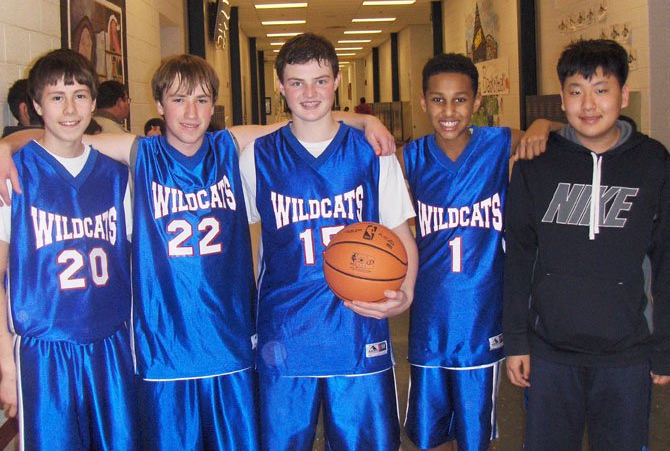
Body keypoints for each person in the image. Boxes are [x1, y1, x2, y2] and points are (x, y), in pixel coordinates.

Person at [0, 53, 394, 451]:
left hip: (231, 343)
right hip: (164, 346)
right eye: (177, 100)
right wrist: (8, 143)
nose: (191, 112)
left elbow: (301, 120)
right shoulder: (140, 154)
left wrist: (363, 119)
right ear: (158, 106)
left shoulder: (230, 147)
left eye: (202, 100)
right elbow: (67, 136)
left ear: (214, 107)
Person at [239, 33, 418, 451]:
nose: (309, 92)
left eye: (320, 80)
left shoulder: (373, 152)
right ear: (280, 86)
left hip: (358, 327)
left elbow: (400, 233)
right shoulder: (257, 156)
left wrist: (406, 292)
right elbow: (245, 245)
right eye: (297, 82)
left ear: (337, 82)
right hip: (284, 334)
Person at [503, 39, 670, 451]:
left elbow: (666, 259)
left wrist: (665, 346)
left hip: (626, 354)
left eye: (601, 89)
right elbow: (518, 257)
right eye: (576, 91)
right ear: (562, 99)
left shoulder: (652, 162)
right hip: (550, 351)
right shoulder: (535, 164)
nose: (589, 104)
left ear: (623, 95)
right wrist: (516, 341)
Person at [400, 53, 560, 451]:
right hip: (430, 312)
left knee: (474, 432)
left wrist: (543, 123)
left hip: (482, 309)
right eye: (438, 100)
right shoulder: (410, 157)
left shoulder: (499, 142)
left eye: (460, 99)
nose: (449, 111)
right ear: (423, 102)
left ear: (476, 102)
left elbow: (568, 133)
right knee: (428, 432)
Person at [0, 49, 137, 450]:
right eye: (57, 97)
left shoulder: (118, 178)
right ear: (36, 106)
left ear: (94, 103)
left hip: (111, 342)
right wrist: (6, 364)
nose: (70, 108)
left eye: (80, 95)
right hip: (43, 349)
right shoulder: (14, 175)